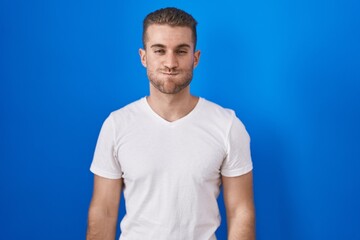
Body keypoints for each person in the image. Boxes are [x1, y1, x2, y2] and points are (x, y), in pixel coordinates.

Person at [86, 7, 255, 240]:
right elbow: (103, 212)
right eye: (159, 51)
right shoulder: (117, 125)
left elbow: (241, 212)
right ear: (143, 57)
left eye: (181, 51)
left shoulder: (227, 126)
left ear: (195, 58)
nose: (170, 62)